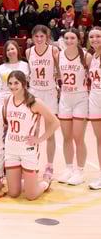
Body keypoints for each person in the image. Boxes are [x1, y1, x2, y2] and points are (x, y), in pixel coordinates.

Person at [4, 71, 59, 200]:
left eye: (16, 83)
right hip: (11, 148)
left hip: (28, 150)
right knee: (13, 193)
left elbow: (55, 123)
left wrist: (40, 139)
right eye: (10, 83)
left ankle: (45, 182)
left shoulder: (34, 102)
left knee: (31, 195)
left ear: (24, 83)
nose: (13, 86)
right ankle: (27, 183)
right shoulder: (8, 100)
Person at [57, 28, 92, 186]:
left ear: (78, 39)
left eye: (72, 38)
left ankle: (80, 171)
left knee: (78, 137)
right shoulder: (59, 55)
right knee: (66, 137)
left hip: (80, 98)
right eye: (67, 38)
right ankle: (69, 168)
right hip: (65, 98)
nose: (69, 41)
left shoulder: (86, 56)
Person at [26, 25, 60, 181]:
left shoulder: (53, 51)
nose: (39, 39)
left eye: (42, 36)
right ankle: (32, 164)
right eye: (36, 36)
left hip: (50, 93)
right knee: (33, 131)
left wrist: (57, 83)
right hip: (34, 93)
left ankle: (50, 166)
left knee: (50, 131)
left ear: (47, 37)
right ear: (33, 37)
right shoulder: (29, 52)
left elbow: (59, 69)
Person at [87, 27, 101, 189]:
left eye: (98, 36)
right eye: (92, 37)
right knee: (99, 140)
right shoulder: (92, 58)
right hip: (95, 99)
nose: (95, 39)